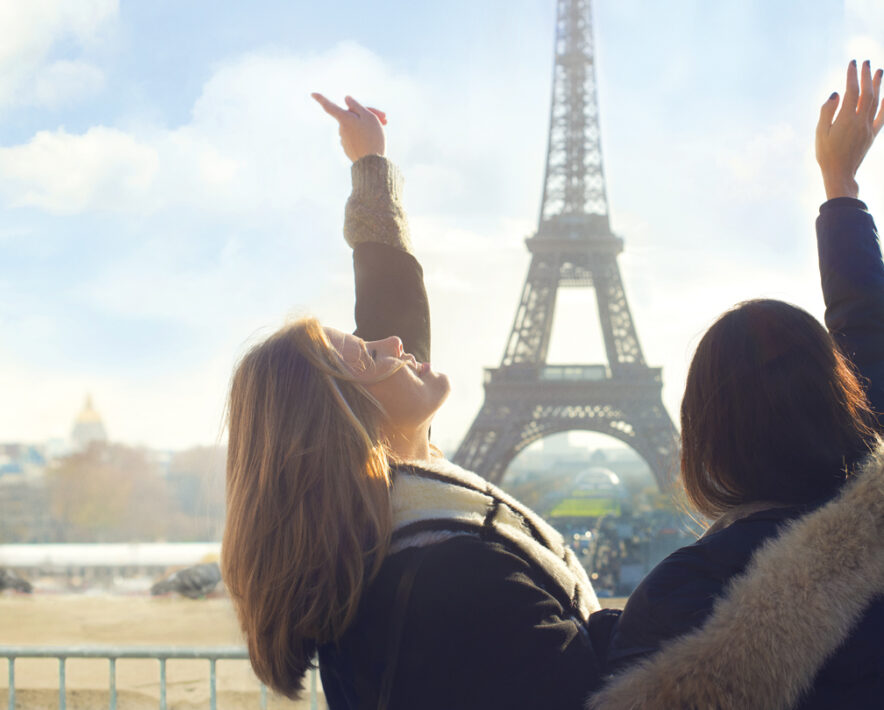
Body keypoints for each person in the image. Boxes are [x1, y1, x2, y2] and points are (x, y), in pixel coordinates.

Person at [222, 74, 884, 710]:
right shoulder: (452, 579)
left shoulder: (383, 541)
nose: (396, 346)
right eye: (369, 354)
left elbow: (390, 323)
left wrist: (371, 169)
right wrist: (842, 189)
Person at [595, 59, 884, 708]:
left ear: (703, 435)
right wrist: (842, 185)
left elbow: (869, 336)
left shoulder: (681, 598)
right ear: (840, 401)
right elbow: (868, 334)